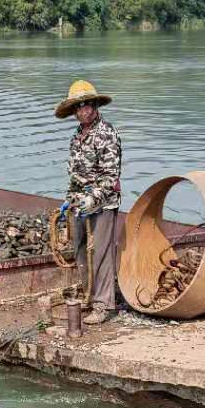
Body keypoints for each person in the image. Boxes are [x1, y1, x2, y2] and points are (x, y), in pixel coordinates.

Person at [55, 79, 122, 324]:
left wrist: (90, 199)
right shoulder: (77, 137)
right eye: (78, 106)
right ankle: (88, 296)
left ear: (95, 106)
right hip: (79, 204)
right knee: (81, 251)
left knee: (101, 253)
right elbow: (75, 176)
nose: (83, 110)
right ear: (74, 111)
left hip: (102, 204)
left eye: (87, 105)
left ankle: (103, 306)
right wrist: (69, 201)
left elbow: (110, 177)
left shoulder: (106, 134)